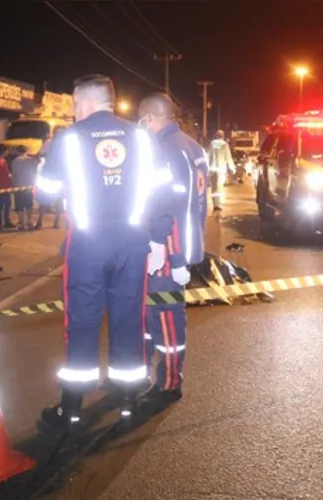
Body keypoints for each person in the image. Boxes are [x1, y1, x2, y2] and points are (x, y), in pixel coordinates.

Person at [35, 74, 174, 432]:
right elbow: (163, 190)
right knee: (129, 320)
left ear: (85, 101)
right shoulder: (142, 137)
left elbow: (46, 190)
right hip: (132, 243)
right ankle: (128, 403)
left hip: (87, 245)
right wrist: (157, 238)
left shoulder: (68, 139)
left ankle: (73, 409)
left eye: (73, 103)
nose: (72, 110)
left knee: (81, 324)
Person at [136, 92, 209, 407]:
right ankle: (151, 373)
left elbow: (169, 205)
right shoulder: (192, 147)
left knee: (164, 317)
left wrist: (167, 251)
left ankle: (168, 383)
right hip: (183, 245)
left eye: (142, 121)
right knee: (156, 315)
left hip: (166, 249)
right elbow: (197, 204)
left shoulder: (163, 150)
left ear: (150, 119)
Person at [10, 145, 38, 230]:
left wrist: (13, 183)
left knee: (20, 205)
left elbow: (14, 174)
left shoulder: (15, 161)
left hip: (19, 185)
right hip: (29, 185)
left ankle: (22, 223)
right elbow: (35, 172)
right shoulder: (31, 160)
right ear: (26, 151)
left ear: (18, 151)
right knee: (29, 204)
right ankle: (29, 222)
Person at [207, 129, 234, 211]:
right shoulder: (225, 145)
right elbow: (228, 157)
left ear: (216, 135)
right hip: (221, 169)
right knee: (219, 186)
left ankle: (215, 204)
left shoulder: (212, 144)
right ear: (222, 136)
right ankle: (217, 204)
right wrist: (232, 167)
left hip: (212, 169)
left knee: (214, 187)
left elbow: (207, 155)